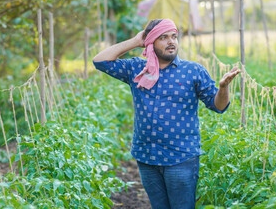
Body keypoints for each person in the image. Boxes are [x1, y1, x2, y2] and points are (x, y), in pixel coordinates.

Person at [93, 19, 240, 209]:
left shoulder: (193, 71)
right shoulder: (138, 69)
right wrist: (136, 41)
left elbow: (218, 106)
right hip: (146, 156)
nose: (171, 42)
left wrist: (223, 88)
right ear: (151, 42)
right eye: (163, 38)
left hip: (181, 158)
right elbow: (100, 61)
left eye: (174, 37)